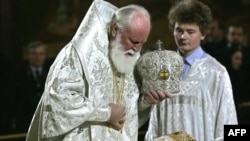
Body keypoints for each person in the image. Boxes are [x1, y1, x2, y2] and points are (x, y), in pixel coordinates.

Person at [26, 0, 169, 140]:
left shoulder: (131, 58)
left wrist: (145, 103)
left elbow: (128, 116)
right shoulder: (79, 53)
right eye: (134, 41)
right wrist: (106, 113)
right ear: (115, 30)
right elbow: (58, 99)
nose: (137, 49)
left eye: (142, 44)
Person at [144, 0, 238, 141]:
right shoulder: (162, 70)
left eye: (190, 32)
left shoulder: (217, 73)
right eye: (179, 31)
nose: (183, 37)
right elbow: (154, 122)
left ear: (203, 34)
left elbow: (228, 121)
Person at [12, 40, 50, 133]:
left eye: (41, 54)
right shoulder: (18, 74)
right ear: (28, 55)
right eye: (34, 54)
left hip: (46, 123)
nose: (38, 57)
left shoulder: (51, 73)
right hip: (25, 123)